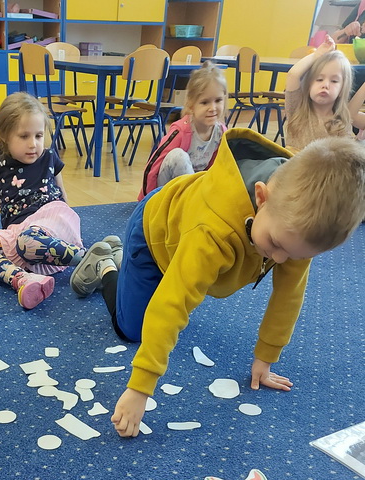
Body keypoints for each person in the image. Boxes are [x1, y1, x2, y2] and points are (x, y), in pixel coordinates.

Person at [69, 129, 365, 437]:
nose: (280, 259)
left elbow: (288, 296)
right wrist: (139, 389)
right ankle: (106, 265)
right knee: (132, 330)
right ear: (261, 198)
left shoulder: (296, 229)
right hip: (154, 234)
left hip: (189, 240)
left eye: (293, 255)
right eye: (276, 244)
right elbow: (173, 302)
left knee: (175, 293)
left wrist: (266, 357)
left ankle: (121, 263)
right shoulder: (212, 231)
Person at [0, 92, 85, 310]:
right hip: (17, 231)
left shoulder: (49, 157)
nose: (33, 144)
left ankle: (88, 259)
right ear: (4, 135)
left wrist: (68, 229)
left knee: (28, 241)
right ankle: (22, 279)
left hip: (50, 219)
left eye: (38, 135)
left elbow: (61, 193)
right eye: (24, 136)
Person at [138, 62, 227, 200]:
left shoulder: (221, 133)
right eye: (205, 102)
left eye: (218, 100)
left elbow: (214, 171)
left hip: (192, 190)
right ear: (191, 104)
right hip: (166, 191)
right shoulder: (180, 131)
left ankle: (195, 203)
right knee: (179, 156)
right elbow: (153, 166)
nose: (213, 108)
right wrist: (146, 201)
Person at [285, 36, 355, 151]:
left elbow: (345, 156)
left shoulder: (341, 123)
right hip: (295, 162)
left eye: (334, 81)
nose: (325, 85)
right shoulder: (297, 109)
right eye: (319, 79)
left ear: (342, 90)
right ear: (309, 85)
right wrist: (317, 54)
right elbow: (293, 75)